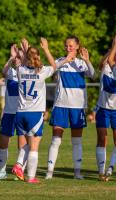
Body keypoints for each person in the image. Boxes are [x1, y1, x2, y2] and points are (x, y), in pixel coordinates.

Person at [46, 36, 95, 180]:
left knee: (77, 141)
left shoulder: (81, 63)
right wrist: (64, 59)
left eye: (71, 46)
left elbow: (92, 74)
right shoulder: (60, 61)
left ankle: (77, 172)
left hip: (77, 107)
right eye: (66, 46)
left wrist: (87, 59)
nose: (68, 48)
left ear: (78, 46)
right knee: (56, 139)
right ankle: (49, 172)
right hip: (61, 105)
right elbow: (52, 68)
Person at [11, 38, 56, 183]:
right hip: (34, 113)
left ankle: (19, 165)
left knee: (26, 144)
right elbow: (54, 66)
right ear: (38, 56)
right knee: (34, 146)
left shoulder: (20, 69)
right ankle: (30, 177)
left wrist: (25, 51)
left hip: (20, 112)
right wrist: (46, 49)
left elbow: (24, 63)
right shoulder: (41, 71)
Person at [0, 43, 24, 180]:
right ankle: (2, 170)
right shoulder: (10, 72)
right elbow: (3, 71)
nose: (17, 58)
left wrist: (21, 58)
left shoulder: (27, 71)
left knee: (22, 143)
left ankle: (20, 170)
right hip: (9, 112)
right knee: (3, 141)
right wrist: (11, 58)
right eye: (15, 56)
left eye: (19, 56)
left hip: (23, 112)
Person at [96, 36, 116, 181]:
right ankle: (102, 171)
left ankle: (110, 168)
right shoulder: (107, 65)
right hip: (103, 108)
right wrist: (113, 47)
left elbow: (110, 61)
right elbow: (102, 64)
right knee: (102, 138)